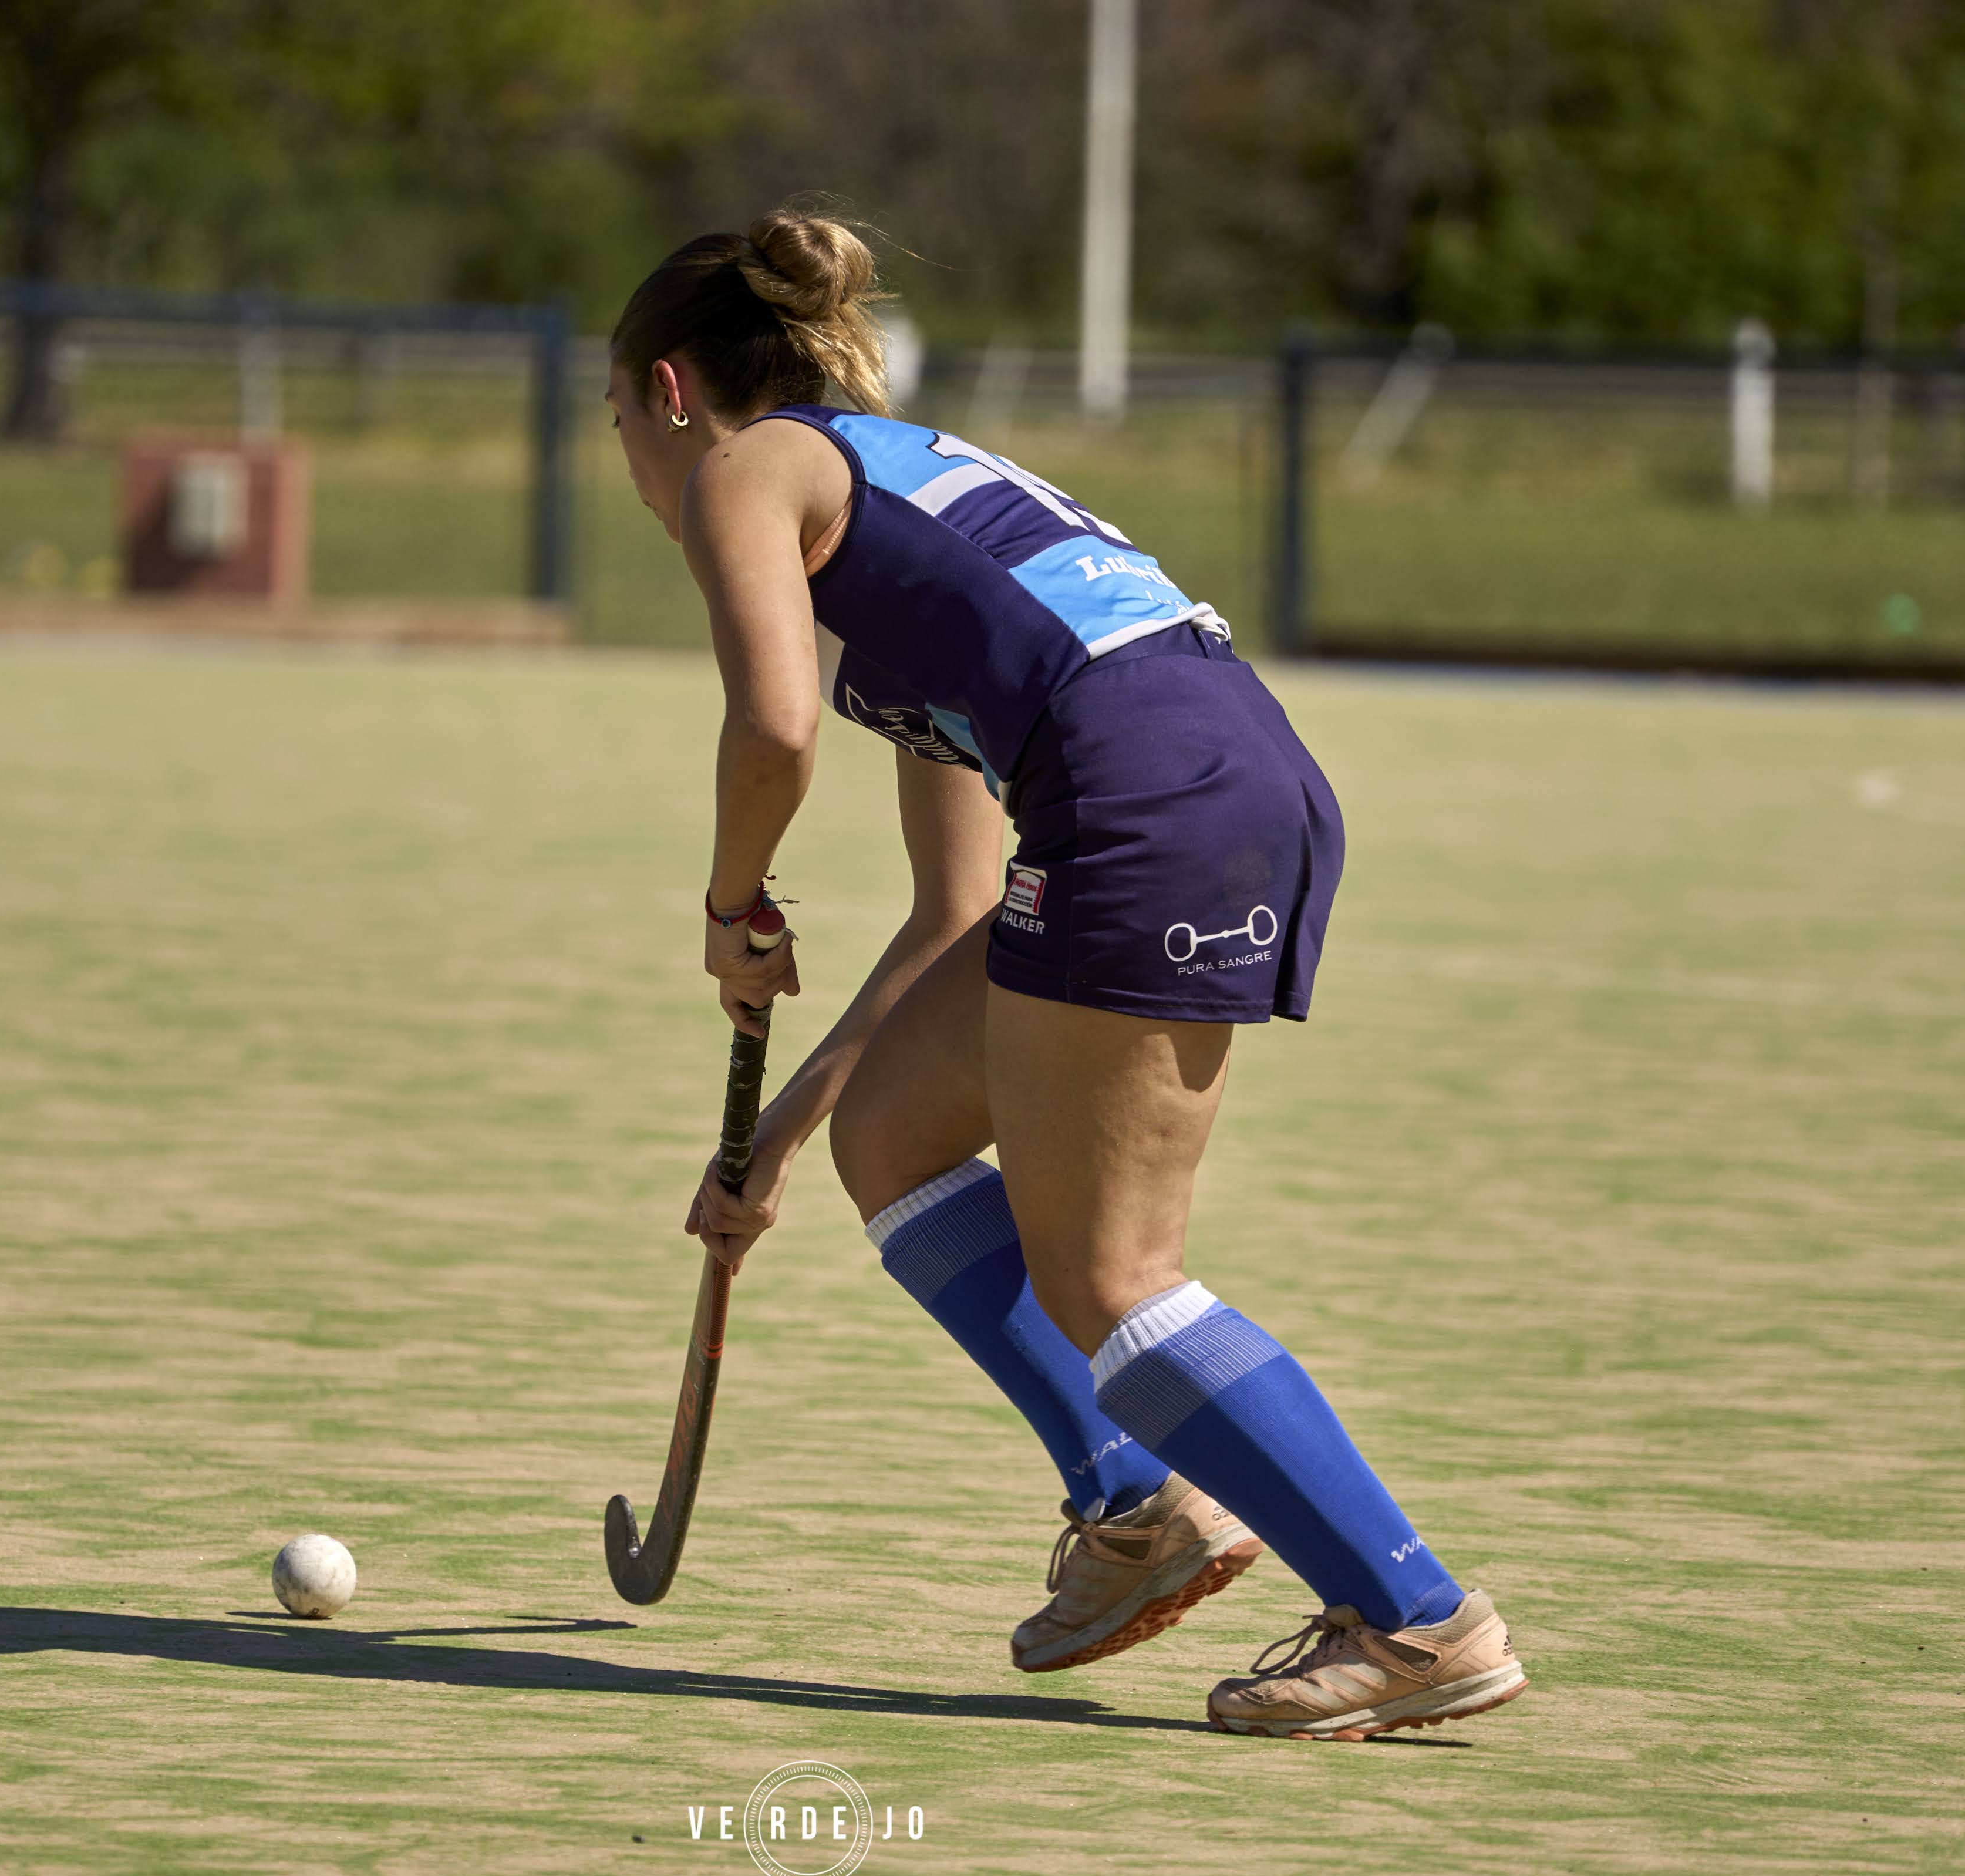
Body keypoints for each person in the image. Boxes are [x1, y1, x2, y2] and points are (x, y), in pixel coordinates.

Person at [615, 207, 1528, 1740]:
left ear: (664, 393)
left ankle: (1416, 1617)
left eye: (624, 436)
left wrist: (729, 906)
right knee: (894, 1136)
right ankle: (1133, 1503)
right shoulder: (892, 501)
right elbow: (948, 916)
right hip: (1210, 770)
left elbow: (768, 733)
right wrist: (765, 1148)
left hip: (1152, 800)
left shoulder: (745, 468)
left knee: (1110, 1270)